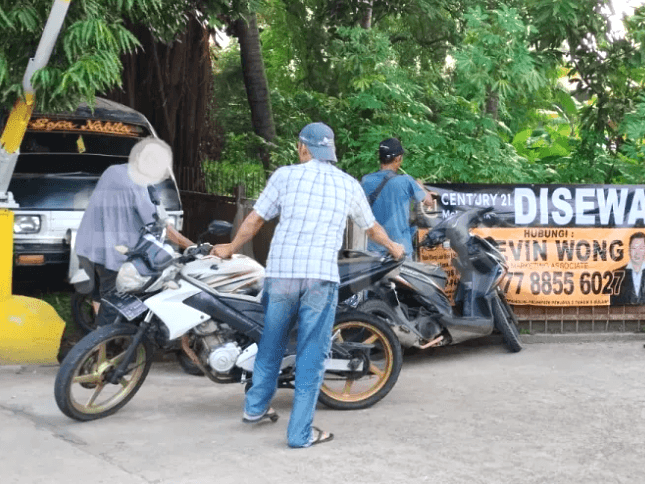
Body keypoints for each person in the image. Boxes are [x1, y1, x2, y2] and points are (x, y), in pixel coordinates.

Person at [211, 122, 404, 448]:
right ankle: (299, 433)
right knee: (312, 355)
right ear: (330, 151)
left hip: (283, 276)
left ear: (303, 147)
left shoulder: (284, 176)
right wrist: (395, 248)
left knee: (270, 344)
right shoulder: (347, 185)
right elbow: (372, 229)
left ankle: (255, 408)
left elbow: (255, 219)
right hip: (319, 280)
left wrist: (230, 249)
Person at [75, 137, 193, 327]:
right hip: (111, 253)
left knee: (100, 295)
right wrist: (192, 246)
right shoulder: (136, 181)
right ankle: (101, 348)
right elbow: (160, 223)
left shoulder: (113, 171)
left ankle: (98, 341)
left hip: (89, 247)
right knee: (115, 301)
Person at [361, 138, 436, 259]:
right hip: (401, 250)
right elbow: (429, 201)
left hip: (374, 250)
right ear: (398, 158)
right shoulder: (406, 181)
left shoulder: (365, 181)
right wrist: (420, 186)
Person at [611, 232, 645, 306]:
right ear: (629, 250)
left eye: (641, 248)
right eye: (634, 248)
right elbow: (613, 304)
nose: (637, 253)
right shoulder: (617, 274)